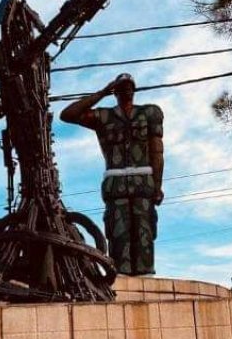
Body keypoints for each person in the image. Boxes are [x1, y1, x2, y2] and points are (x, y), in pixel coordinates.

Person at [60, 73, 164, 276]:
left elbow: (157, 151)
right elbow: (67, 115)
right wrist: (102, 93)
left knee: (145, 229)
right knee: (118, 232)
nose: (126, 90)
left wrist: (158, 185)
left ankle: (146, 274)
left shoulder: (149, 113)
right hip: (116, 183)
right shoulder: (104, 116)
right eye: (121, 86)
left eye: (129, 86)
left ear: (134, 89)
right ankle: (121, 274)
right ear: (114, 91)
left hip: (143, 182)